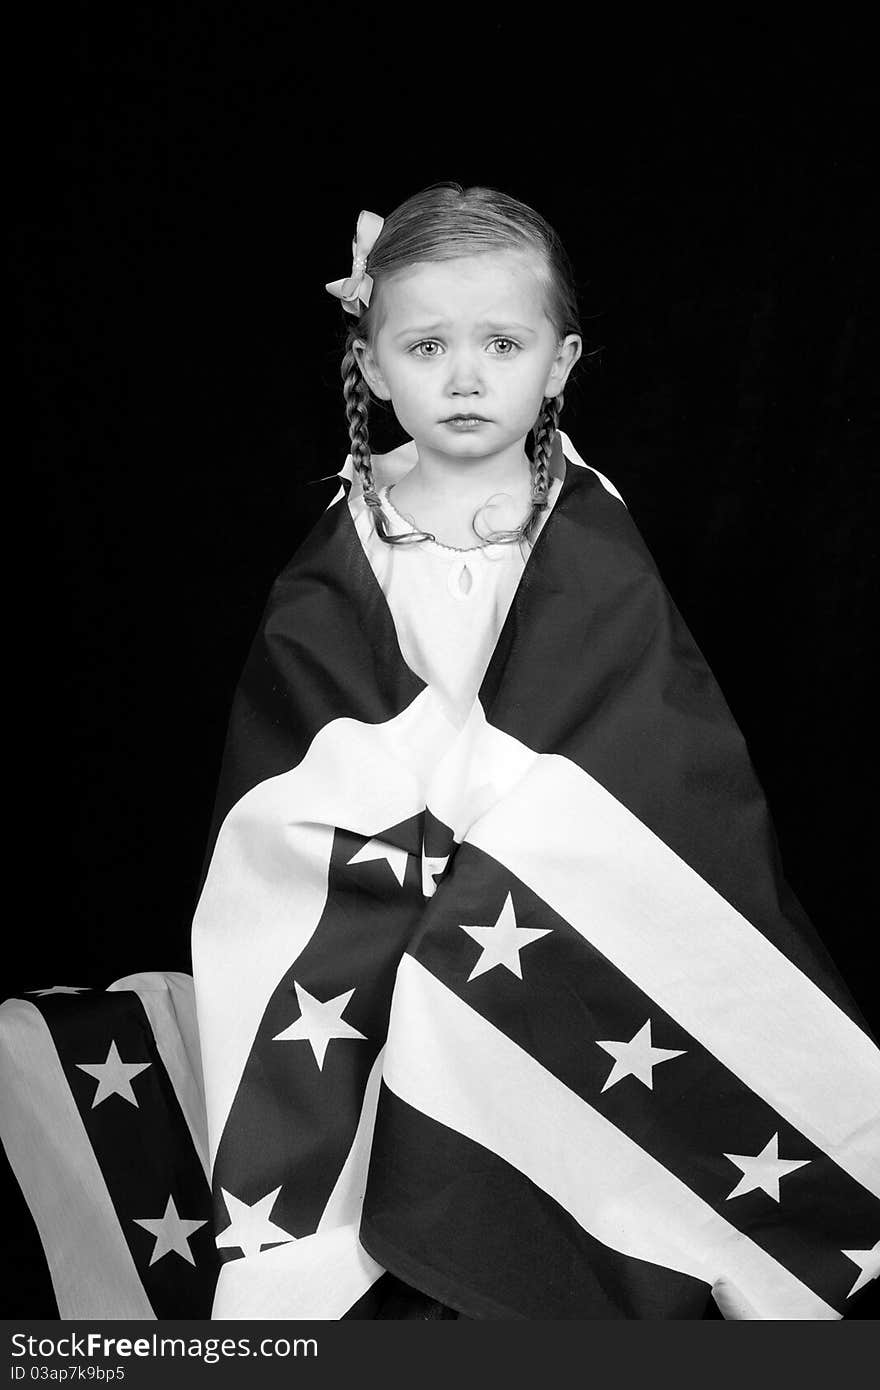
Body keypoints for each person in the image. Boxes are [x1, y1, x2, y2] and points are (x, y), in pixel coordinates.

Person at [190, 182, 879, 1320]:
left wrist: (517, 828)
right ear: (370, 366)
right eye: (426, 345)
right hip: (388, 859)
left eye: (499, 344)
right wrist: (408, 827)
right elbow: (297, 749)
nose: (464, 378)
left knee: (572, 946)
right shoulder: (348, 536)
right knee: (367, 976)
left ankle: (620, 1240)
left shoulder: (585, 522)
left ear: (557, 364)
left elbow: (645, 734)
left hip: (559, 857)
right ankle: (401, 1261)